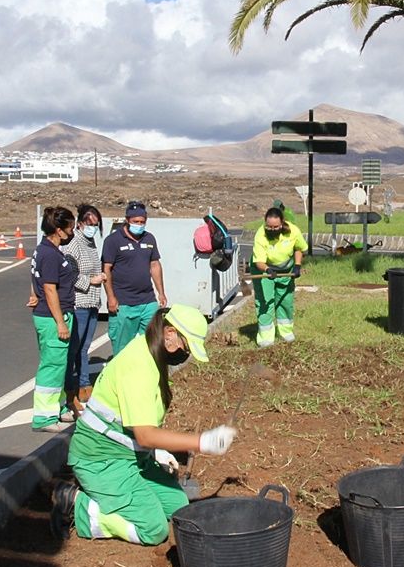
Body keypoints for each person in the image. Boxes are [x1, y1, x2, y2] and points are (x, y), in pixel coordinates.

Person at [50, 305, 238, 545]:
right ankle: (76, 503)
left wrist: (155, 450)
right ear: (169, 332)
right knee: (153, 529)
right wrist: (203, 441)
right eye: (186, 345)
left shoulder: (151, 353)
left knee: (178, 507)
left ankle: (117, 496)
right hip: (100, 460)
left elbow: (137, 422)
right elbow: (146, 434)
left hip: (130, 456)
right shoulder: (139, 366)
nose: (185, 353)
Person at [29, 206, 78, 433]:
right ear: (59, 230)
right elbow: (49, 289)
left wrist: (33, 294)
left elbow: (36, 280)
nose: (72, 231)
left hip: (52, 315)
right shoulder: (49, 254)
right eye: (70, 228)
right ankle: (44, 418)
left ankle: (55, 408)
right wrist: (60, 322)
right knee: (52, 366)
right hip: (52, 317)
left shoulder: (45, 250)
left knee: (58, 365)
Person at [102, 201, 167, 355]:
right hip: (124, 303)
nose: (139, 225)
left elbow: (155, 265)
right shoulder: (113, 241)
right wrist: (111, 297)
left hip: (147, 301)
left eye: (142, 222)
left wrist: (161, 292)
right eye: (135, 222)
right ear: (127, 220)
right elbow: (106, 269)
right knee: (123, 348)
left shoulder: (149, 239)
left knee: (153, 343)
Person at [60, 204, 106, 413]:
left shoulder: (91, 243)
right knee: (74, 349)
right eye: (90, 224)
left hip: (92, 303)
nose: (93, 228)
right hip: (79, 302)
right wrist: (91, 281)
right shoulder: (73, 244)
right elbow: (69, 273)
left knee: (85, 347)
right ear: (80, 224)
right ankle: (71, 389)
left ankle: (84, 384)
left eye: (96, 225)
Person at [250, 206, 307, 348]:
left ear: (282, 223)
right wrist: (268, 270)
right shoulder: (260, 235)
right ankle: (266, 338)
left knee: (285, 301)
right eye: (269, 227)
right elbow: (259, 262)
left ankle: (286, 332)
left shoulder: (293, 231)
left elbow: (299, 248)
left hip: (286, 270)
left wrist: (297, 265)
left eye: (276, 227)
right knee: (265, 301)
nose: (272, 230)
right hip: (264, 270)